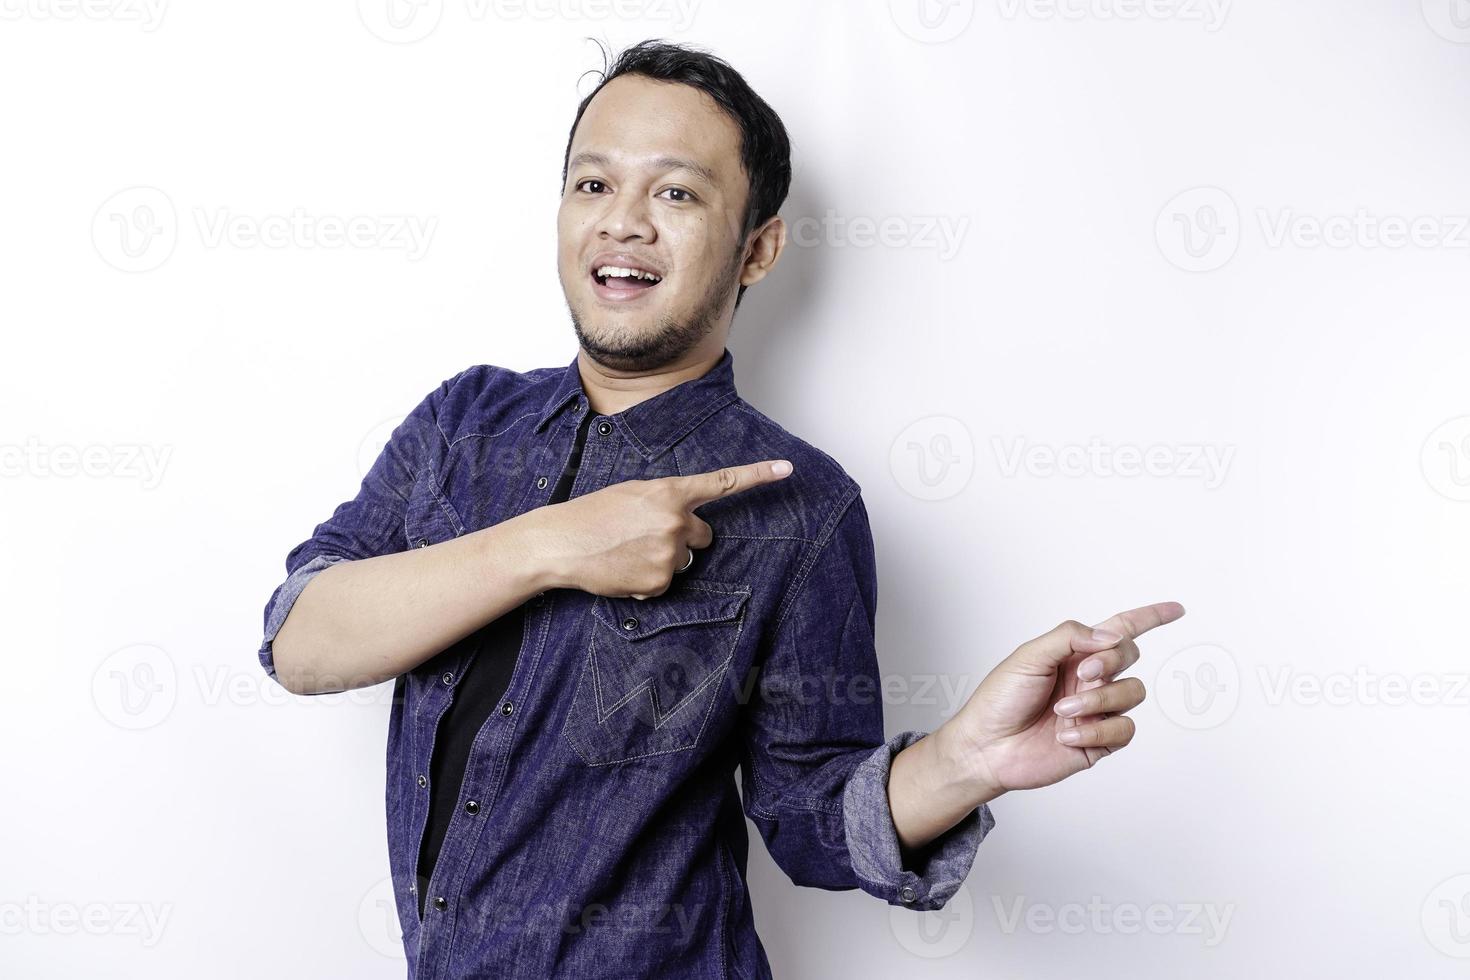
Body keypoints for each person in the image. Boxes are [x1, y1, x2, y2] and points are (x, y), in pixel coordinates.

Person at [257, 38, 1184, 979]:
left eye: (677, 194)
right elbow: (302, 640)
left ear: (759, 248)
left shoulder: (804, 508)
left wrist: (962, 763)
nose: (623, 224)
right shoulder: (465, 422)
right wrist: (550, 545)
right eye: (592, 186)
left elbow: (811, 819)